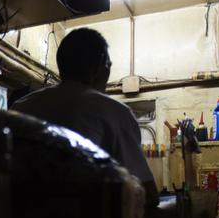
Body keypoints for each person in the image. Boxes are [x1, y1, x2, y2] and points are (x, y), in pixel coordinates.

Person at [11, 27, 159, 207]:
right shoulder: (114, 112)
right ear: (99, 67)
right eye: (109, 65)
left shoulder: (21, 107)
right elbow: (146, 194)